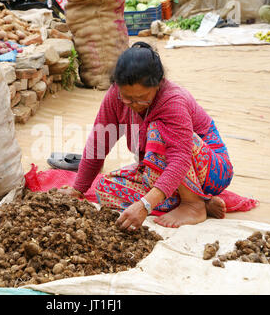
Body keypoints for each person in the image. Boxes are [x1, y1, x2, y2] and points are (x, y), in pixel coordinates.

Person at [58, 42, 233, 230]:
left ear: (157, 85)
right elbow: (100, 141)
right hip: (163, 169)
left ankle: (193, 204)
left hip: (210, 170)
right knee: (105, 187)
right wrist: (78, 188)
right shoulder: (115, 96)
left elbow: (180, 159)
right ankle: (203, 202)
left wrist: (145, 205)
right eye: (127, 97)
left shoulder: (172, 101)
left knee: (157, 132)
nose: (134, 104)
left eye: (142, 97)